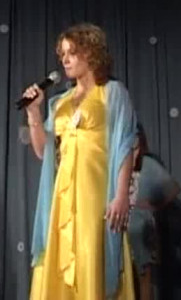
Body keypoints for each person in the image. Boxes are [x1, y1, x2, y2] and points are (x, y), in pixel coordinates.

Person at [26, 23, 137, 299]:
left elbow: (125, 145)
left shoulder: (112, 92)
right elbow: (43, 152)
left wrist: (121, 194)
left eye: (72, 53)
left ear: (91, 54)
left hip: (96, 195)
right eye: (62, 54)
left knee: (92, 257)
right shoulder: (59, 103)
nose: (65, 60)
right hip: (63, 198)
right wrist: (33, 114)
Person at [127, 124, 181, 300]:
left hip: (141, 229)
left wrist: (148, 206)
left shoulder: (148, 165)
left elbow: (172, 189)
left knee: (144, 277)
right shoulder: (114, 163)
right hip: (120, 228)